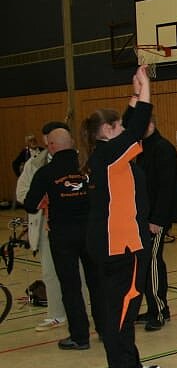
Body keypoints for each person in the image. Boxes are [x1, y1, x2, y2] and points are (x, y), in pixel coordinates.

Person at [82, 64, 168, 368]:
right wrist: (146, 89)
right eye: (118, 124)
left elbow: (130, 125)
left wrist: (134, 93)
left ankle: (123, 367)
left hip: (112, 244)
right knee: (123, 309)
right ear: (108, 130)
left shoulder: (104, 156)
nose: (124, 128)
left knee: (116, 308)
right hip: (122, 246)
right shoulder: (110, 156)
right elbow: (136, 128)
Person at [23, 124, 100, 350]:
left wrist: (47, 199)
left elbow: (30, 204)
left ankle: (80, 336)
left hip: (62, 236)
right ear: (72, 144)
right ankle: (106, 330)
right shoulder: (88, 168)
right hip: (90, 232)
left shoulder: (46, 173)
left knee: (70, 286)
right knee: (97, 283)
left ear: (51, 147)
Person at [15, 124, 67, 331]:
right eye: (46, 137)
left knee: (79, 273)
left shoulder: (78, 160)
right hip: (45, 225)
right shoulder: (34, 164)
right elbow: (22, 193)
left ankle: (83, 312)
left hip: (73, 225)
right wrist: (44, 198)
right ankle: (56, 314)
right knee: (50, 272)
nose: (48, 141)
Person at [137, 116, 177, 331]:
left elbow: (167, 187)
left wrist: (157, 219)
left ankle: (159, 310)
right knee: (146, 263)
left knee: (153, 262)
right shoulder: (142, 148)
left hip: (156, 218)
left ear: (150, 125)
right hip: (144, 216)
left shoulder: (162, 148)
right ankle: (153, 308)